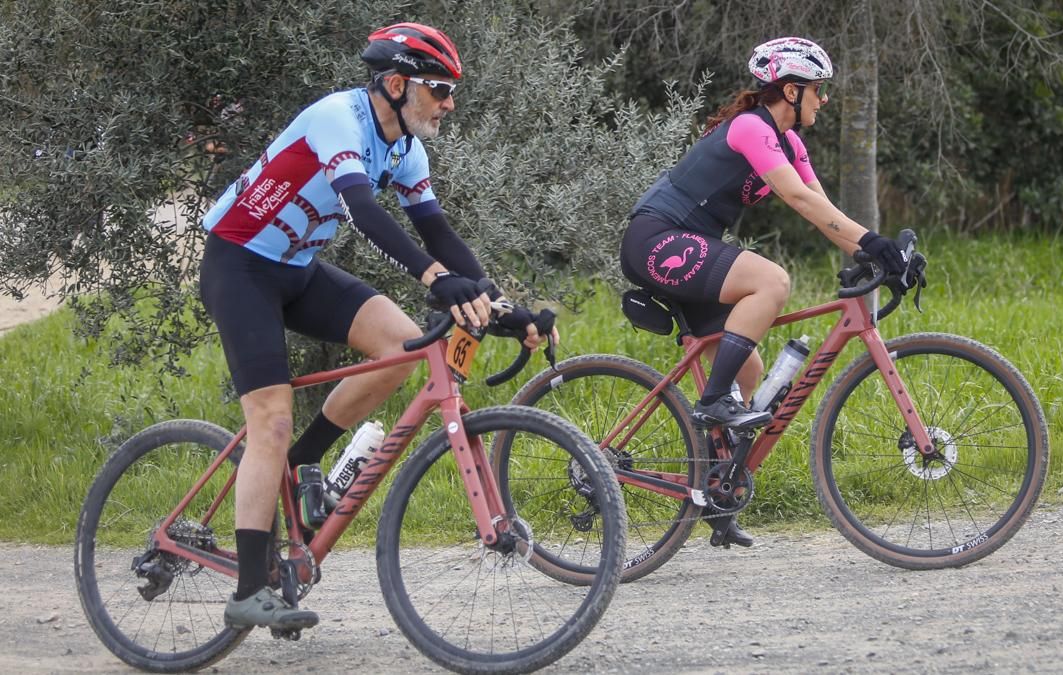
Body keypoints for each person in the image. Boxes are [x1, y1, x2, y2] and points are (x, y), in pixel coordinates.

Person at [199, 22, 549, 631]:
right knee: (271, 417)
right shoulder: (339, 117)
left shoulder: (408, 149)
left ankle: (300, 462)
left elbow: (438, 233)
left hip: (297, 268)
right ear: (395, 83)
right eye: (439, 89)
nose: (449, 102)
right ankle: (249, 586)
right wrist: (437, 281)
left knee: (400, 344)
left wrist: (501, 307)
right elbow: (362, 212)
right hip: (240, 264)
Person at [618, 37, 909, 547]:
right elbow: (794, 196)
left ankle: (717, 489)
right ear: (791, 91)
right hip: (655, 239)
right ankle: (711, 403)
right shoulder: (752, 127)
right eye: (818, 91)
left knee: (748, 369)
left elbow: (824, 211)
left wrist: (875, 252)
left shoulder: (790, 143)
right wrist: (873, 242)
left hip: (686, 245)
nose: (823, 100)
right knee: (771, 280)